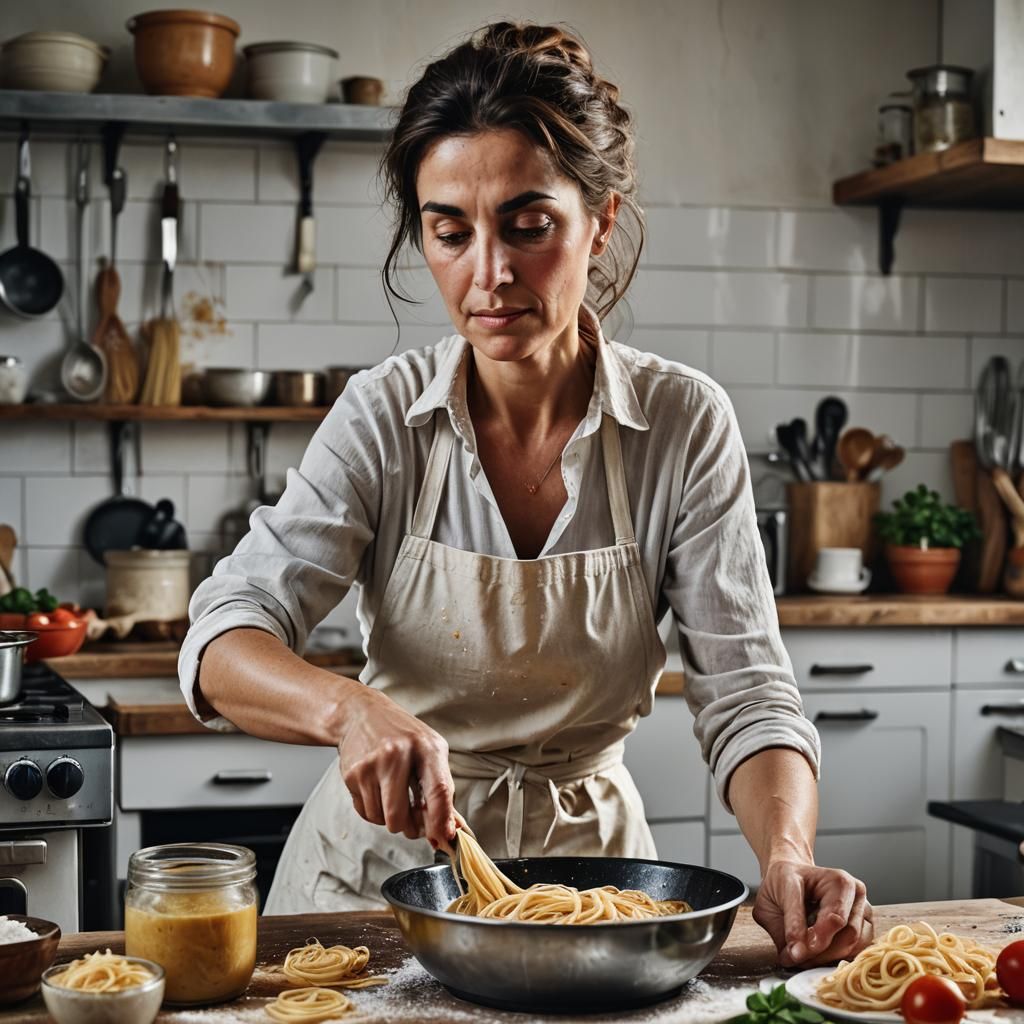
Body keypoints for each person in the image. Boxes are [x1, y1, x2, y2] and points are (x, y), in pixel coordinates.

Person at [179, 21, 872, 967]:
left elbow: (748, 694)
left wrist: (788, 854)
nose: (489, 274)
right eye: (450, 232)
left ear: (602, 219)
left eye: (528, 225)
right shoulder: (385, 418)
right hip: (381, 895)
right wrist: (349, 712)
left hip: (595, 898)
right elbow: (225, 634)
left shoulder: (682, 425)